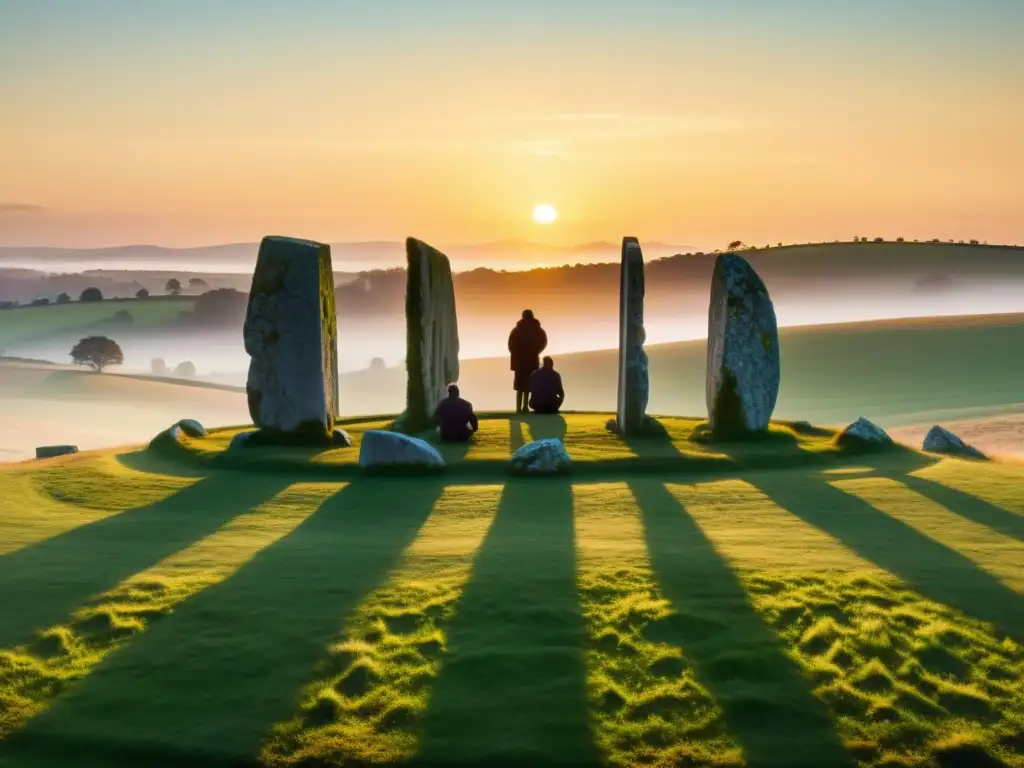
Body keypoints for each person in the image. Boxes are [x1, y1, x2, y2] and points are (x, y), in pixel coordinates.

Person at [508, 309, 548, 413]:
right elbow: (543, 342)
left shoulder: (517, 330)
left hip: (520, 362)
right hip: (531, 360)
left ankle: (519, 408)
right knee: (527, 386)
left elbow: (511, 345)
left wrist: (517, 354)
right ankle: (524, 407)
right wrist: (535, 352)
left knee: (520, 386)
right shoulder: (537, 329)